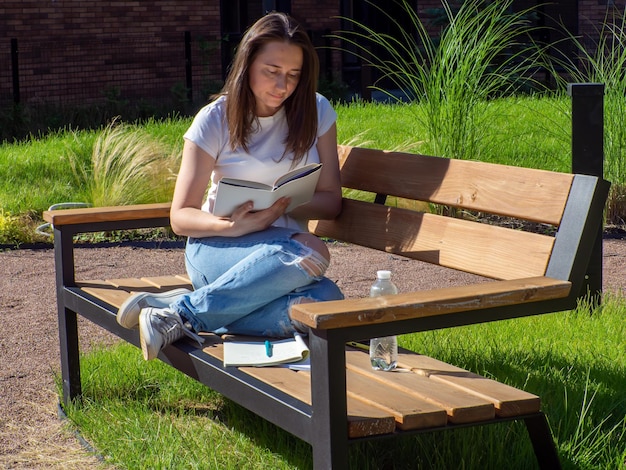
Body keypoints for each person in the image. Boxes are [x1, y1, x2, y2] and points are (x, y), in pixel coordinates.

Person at [116, 12, 344, 361]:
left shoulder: (317, 111)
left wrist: (281, 206)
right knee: (312, 250)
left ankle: (187, 310)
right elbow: (181, 217)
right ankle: (184, 314)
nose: (283, 86)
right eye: (272, 71)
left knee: (328, 302)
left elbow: (331, 202)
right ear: (248, 63)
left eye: (293, 75)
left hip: (282, 265)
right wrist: (234, 225)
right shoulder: (214, 119)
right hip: (219, 248)